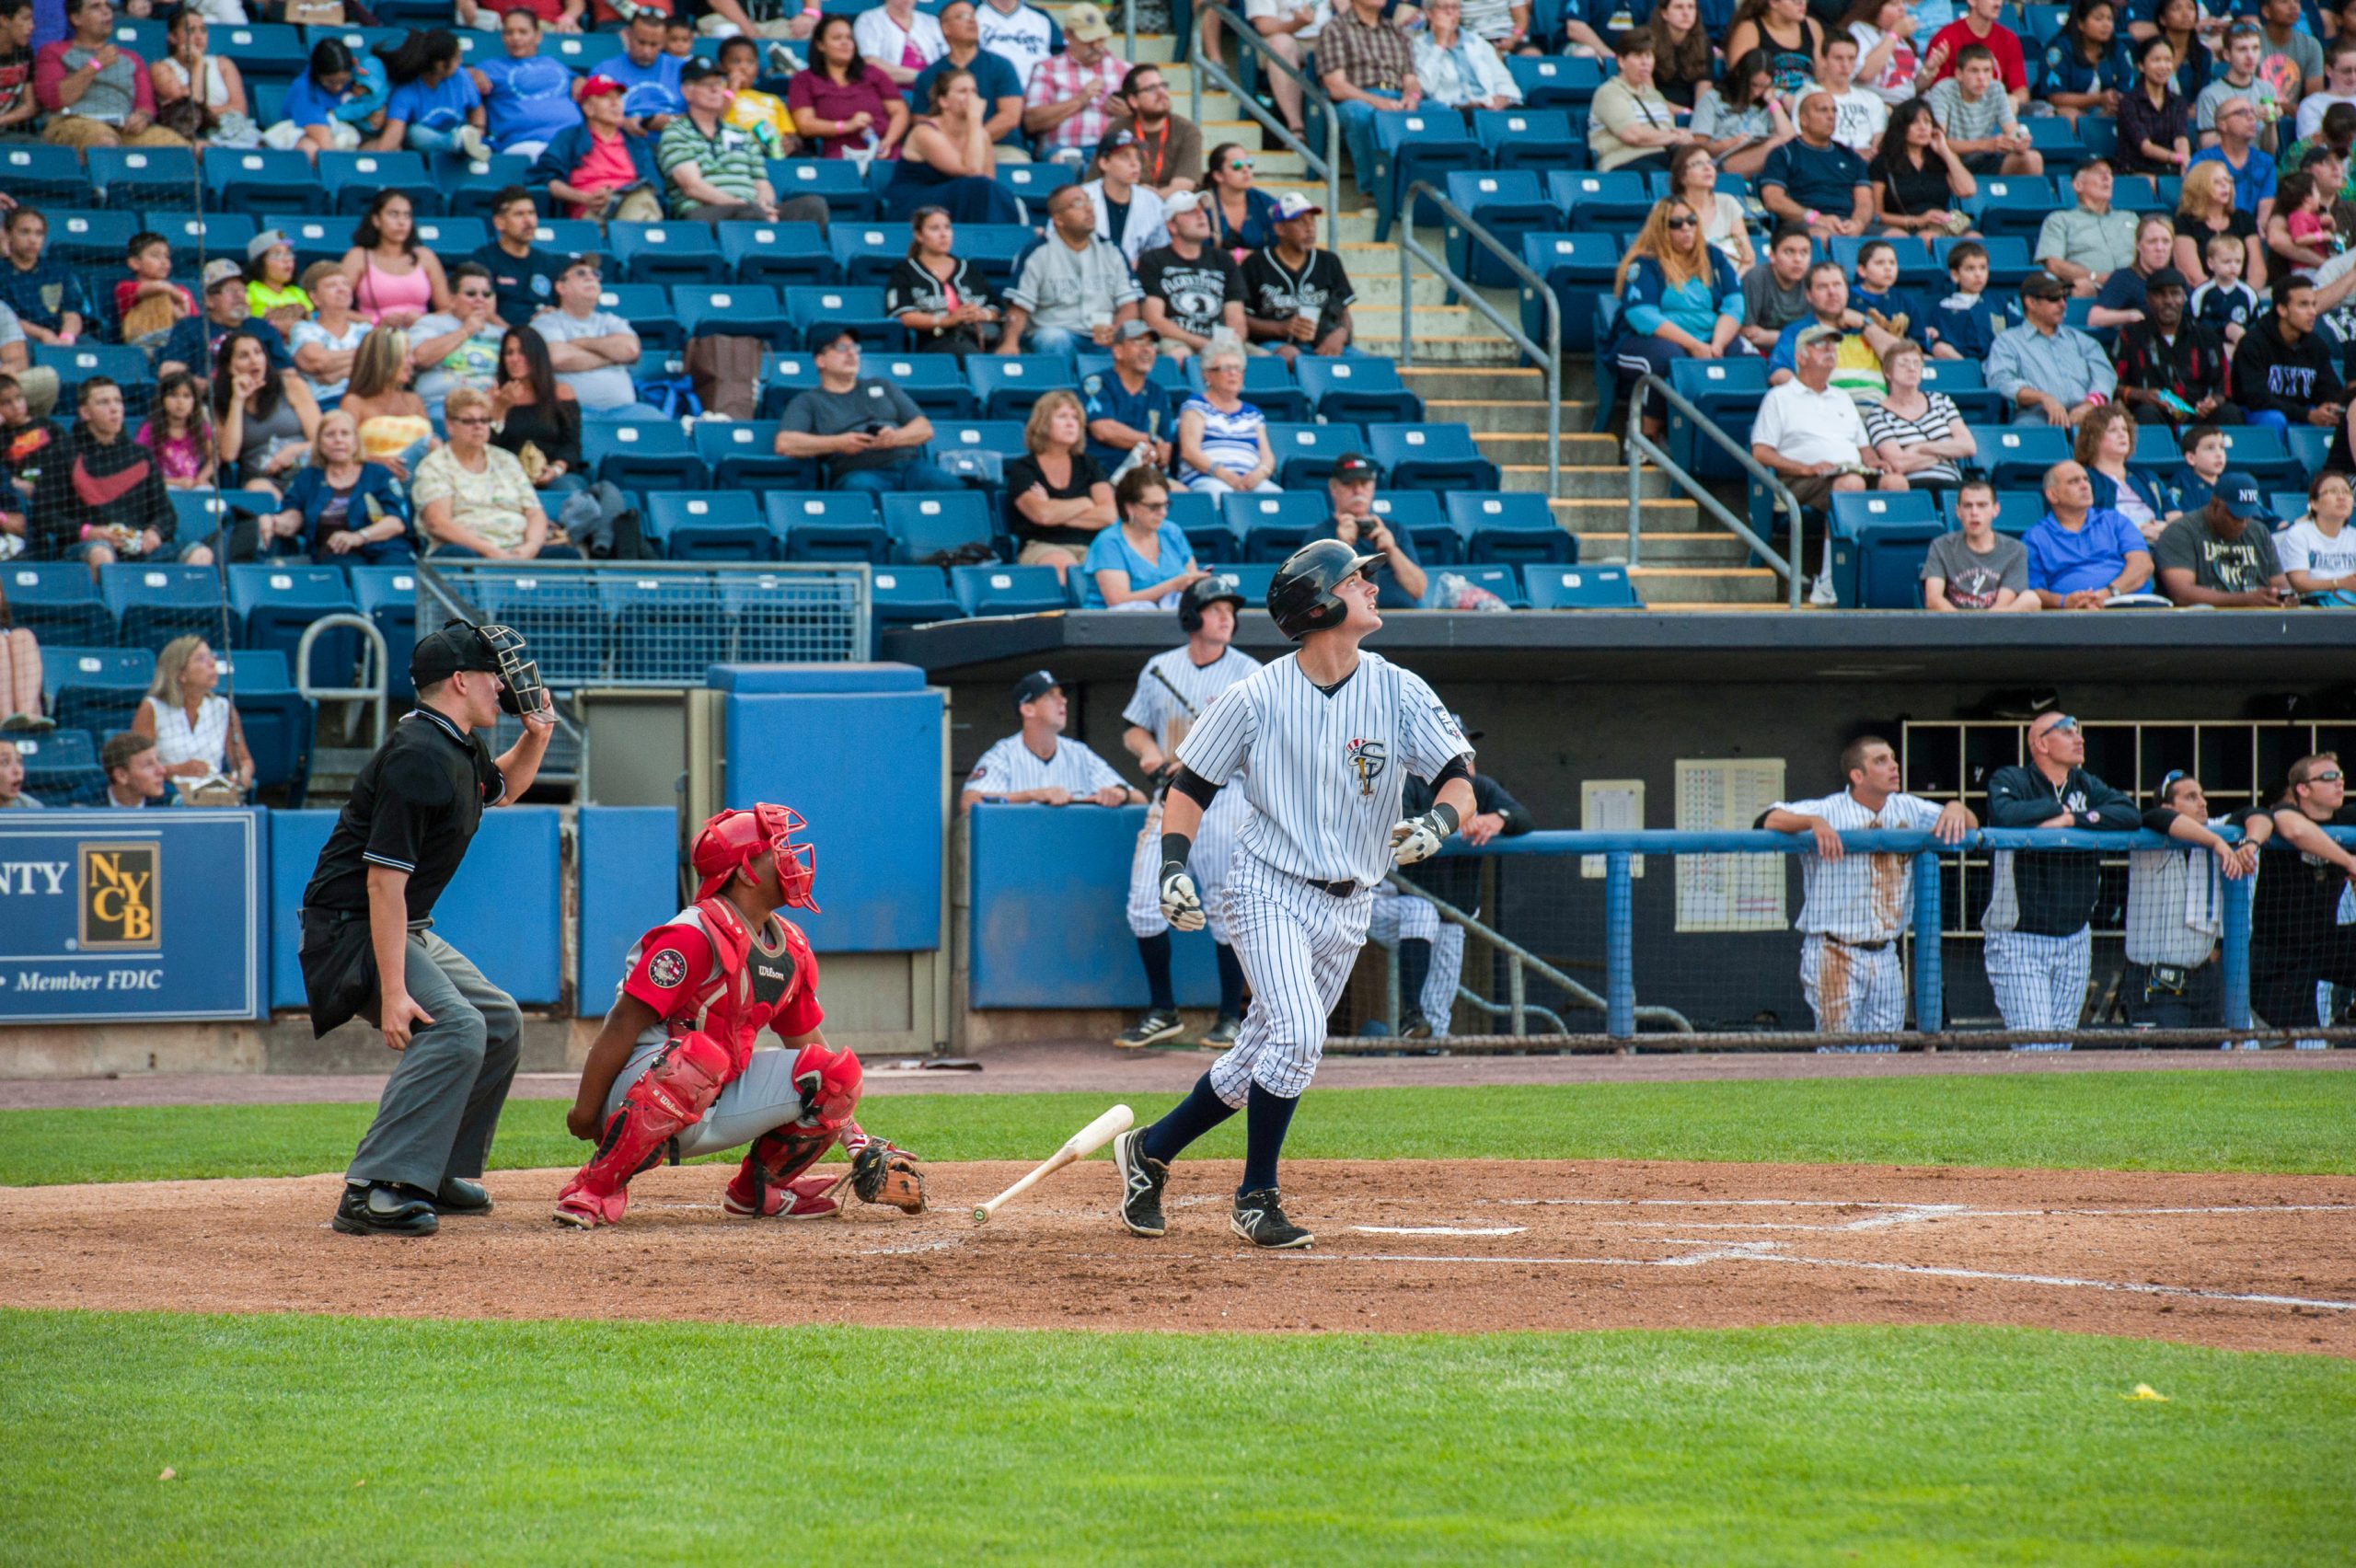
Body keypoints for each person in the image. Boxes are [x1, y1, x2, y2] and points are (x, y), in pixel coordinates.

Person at [1114, 537, 1477, 1250]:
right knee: (1301, 1034)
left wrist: (1441, 820)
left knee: (1260, 1056)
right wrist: (1172, 866)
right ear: (1319, 604)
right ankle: (1256, 1196)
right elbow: (1189, 788)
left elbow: (1458, 775)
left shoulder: (1399, 687)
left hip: (1350, 901)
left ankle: (1149, 1151)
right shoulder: (1253, 696)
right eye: (1357, 578)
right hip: (1267, 886)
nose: (1372, 586)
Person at [555, 803, 926, 1227]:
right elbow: (621, 1025)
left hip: (712, 1095)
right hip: (637, 1093)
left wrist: (857, 1141)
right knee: (701, 1056)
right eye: (778, 848)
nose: (792, 856)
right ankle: (594, 1187)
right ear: (748, 870)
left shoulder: (791, 947)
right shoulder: (692, 935)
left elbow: (812, 1052)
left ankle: (758, 1193)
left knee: (836, 1072)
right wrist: (585, 1114)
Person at [301, 620, 553, 1235]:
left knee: (497, 1021)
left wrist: (538, 735)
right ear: (460, 681)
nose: (503, 686)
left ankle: (432, 1170)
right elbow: (381, 883)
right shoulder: (418, 754)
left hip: (394, 922)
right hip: (351, 928)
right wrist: (393, 992)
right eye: (491, 676)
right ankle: (373, 1188)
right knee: (454, 1028)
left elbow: (504, 789)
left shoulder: (456, 742)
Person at [1117, 574, 1261, 1047]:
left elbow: (1260, 745)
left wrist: (1202, 756)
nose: (1227, 617)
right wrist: (1149, 754)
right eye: (1216, 608)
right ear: (1191, 616)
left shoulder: (1249, 672)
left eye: (1231, 610)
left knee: (1225, 907)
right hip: (1170, 797)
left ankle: (1228, 1017)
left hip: (1227, 798)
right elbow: (1134, 729)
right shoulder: (1160, 667)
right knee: (1144, 902)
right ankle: (1163, 1010)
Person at [1757, 736, 1973, 1039]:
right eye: (1881, 761)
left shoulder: (1907, 807)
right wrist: (1813, 822)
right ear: (1857, 776)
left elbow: (1973, 826)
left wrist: (1955, 807)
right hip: (1834, 950)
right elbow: (1766, 820)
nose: (1894, 766)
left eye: (1893, 758)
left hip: (1885, 952)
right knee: (1838, 1054)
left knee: (1884, 1053)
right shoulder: (1829, 808)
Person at [1981, 711, 2142, 1048]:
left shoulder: (2084, 783)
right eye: (2068, 732)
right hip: (2019, 937)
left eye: (2079, 732)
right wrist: (2061, 811)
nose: (2079, 739)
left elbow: (2129, 813)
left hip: (2075, 937)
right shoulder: (2011, 778)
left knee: (2060, 1049)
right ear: (2040, 743)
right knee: (2035, 1047)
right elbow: (2007, 814)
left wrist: (2072, 819)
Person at [2122, 771, 2266, 1029]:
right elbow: (2158, 818)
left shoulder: (2215, 829)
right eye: (2191, 797)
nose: (2202, 802)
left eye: (2201, 795)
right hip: (2155, 981)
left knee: (2207, 1063)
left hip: (2203, 979)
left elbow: (2258, 814)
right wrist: (2218, 844)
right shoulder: (2150, 831)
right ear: (2168, 804)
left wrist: (2251, 843)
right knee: (2163, 1066)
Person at [28, 378, 207, 570]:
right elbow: (44, 514)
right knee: (101, 553)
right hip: (85, 547)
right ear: (85, 413)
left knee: (200, 555)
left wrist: (154, 532)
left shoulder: (140, 455)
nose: (114, 408)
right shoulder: (61, 453)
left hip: (139, 549)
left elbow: (165, 512)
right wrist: (89, 532)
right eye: (103, 402)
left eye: (118, 401)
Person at [776, 326, 962, 494]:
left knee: (950, 486)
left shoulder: (882, 385)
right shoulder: (808, 401)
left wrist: (895, 438)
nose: (851, 354)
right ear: (820, 361)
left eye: (855, 349)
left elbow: (924, 428)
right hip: (860, 472)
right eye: (841, 348)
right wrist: (838, 443)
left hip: (909, 467)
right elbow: (785, 443)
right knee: (858, 488)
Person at [1611, 199, 1746, 426]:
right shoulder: (1644, 263)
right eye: (1676, 223)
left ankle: (1735, 431)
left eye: (1691, 221)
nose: (1686, 228)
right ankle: (1648, 435)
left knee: (1743, 357)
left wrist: (1718, 344)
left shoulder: (1713, 256)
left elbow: (1735, 305)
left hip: (1710, 337)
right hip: (1650, 340)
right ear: (1661, 228)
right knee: (1669, 358)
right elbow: (1642, 315)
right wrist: (1693, 345)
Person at [2248, 753, 2356, 1033]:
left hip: (2325, 942)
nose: (2339, 783)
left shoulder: (2346, 817)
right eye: (2328, 777)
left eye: (2341, 777)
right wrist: (2348, 861)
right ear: (2303, 789)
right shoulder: (2285, 813)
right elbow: (2295, 830)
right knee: (2288, 1049)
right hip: (2279, 951)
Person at [413, 386, 569, 558]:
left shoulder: (506, 460)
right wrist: (490, 550)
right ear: (450, 426)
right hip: (469, 550)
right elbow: (438, 523)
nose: (478, 427)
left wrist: (530, 547)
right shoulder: (435, 465)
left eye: (485, 420)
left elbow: (534, 512)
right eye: (469, 421)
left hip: (519, 550)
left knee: (566, 556)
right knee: (456, 554)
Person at [959, 668, 1139, 812]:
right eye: (1051, 696)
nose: (1063, 701)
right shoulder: (1003, 755)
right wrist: (1032, 795)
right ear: (1028, 709)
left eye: (1062, 695)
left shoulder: (1078, 753)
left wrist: (1120, 793)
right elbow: (969, 803)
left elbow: (1140, 799)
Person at [999, 183, 1142, 355]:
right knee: (1053, 338)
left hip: (1102, 337)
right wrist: (1010, 342)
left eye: (1089, 202)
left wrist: (1117, 330)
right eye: (1078, 204)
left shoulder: (1112, 250)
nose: (1089, 209)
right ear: (1058, 220)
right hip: (1058, 331)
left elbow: (1129, 304)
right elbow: (1019, 305)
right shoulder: (1037, 253)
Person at [264, 409, 414, 564]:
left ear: (356, 441)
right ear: (320, 444)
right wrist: (273, 521)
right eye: (330, 435)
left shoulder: (378, 474)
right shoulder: (308, 478)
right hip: (336, 553)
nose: (338, 440)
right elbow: (292, 518)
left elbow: (396, 523)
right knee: (344, 566)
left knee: (395, 569)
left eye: (345, 434)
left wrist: (359, 537)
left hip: (385, 549)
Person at [33, 0, 187, 149]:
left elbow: (145, 105)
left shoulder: (132, 58)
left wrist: (142, 117)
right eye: (95, 6)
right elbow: (53, 100)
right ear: (76, 18)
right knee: (106, 142)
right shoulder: (52, 52)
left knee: (183, 149)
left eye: (107, 5)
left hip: (124, 128)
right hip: (73, 122)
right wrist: (95, 65)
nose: (106, 11)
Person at [662, 56, 798, 222]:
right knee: (750, 215)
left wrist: (765, 206)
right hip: (705, 211)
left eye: (718, 83)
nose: (715, 89)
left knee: (812, 207)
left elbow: (761, 182)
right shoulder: (676, 132)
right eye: (706, 84)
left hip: (751, 209)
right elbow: (692, 187)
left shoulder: (741, 134)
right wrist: (743, 206)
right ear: (687, 91)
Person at [530, 256, 662, 421]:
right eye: (580, 273)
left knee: (660, 423)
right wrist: (613, 358)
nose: (590, 277)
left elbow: (630, 351)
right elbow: (559, 358)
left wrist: (582, 343)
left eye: (594, 274)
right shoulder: (547, 322)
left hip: (626, 410)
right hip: (575, 412)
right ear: (561, 287)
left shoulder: (610, 320)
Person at [2233, 276, 2352, 456]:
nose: (2312, 312)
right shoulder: (2253, 342)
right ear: (2282, 309)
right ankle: (2277, 469)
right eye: (2303, 305)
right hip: (2257, 416)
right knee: (2274, 419)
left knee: (2334, 417)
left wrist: (2330, 408)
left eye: (2313, 304)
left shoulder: (2316, 346)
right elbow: (2257, 398)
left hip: (2300, 416)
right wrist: (2307, 415)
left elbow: (2329, 389)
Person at [1007, 388, 1115, 579]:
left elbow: (1108, 515)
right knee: (1064, 567)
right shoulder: (1024, 468)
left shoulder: (1089, 464)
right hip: (1043, 546)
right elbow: (1042, 514)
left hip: (1090, 545)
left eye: (1075, 418)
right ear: (1043, 423)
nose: (1070, 424)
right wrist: (1086, 503)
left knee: (1114, 566)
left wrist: (1054, 509)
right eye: (1062, 416)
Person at [1988, 271, 2117, 426]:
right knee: (2027, 428)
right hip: (2037, 415)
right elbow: (2001, 381)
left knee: (2116, 429)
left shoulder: (2081, 340)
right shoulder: (2008, 341)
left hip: (2087, 414)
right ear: (2031, 303)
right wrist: (2043, 398)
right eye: (2054, 298)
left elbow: (2105, 375)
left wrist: (2090, 404)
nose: (2063, 304)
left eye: (2064, 297)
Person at [2151, 470, 2297, 605]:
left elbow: (2280, 584)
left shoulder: (2259, 531)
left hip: (2257, 620)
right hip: (2203, 624)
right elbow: (2182, 594)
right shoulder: (2181, 531)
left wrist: (2284, 598)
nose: (2244, 523)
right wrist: (2244, 600)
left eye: (2248, 515)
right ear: (2214, 505)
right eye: (2236, 516)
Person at [1241, 192, 1355, 364]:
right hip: (1273, 344)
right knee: (1292, 357)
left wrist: (1340, 335)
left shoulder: (1329, 261)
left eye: (1312, 221)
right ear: (1280, 229)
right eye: (1300, 222)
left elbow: (1344, 312)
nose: (1310, 228)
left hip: (1322, 341)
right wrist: (1280, 328)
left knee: (1373, 365)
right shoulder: (1255, 264)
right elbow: (1241, 319)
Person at [130, 635, 253, 795]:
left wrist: (242, 776)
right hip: (167, 794)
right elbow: (136, 768)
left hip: (213, 795)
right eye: (201, 659)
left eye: (212, 657)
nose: (212, 663)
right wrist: (177, 770)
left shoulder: (223, 708)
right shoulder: (153, 708)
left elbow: (244, 761)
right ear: (180, 674)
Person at [530, 75, 663, 222]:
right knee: (643, 202)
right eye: (606, 97)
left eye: (618, 98)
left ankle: (631, 240)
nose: (615, 104)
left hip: (632, 204)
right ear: (588, 108)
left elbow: (654, 185)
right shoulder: (570, 138)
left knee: (642, 197)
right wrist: (585, 198)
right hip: (591, 213)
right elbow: (547, 179)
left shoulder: (635, 143)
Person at [2025, 460, 2155, 606]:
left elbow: (2143, 565)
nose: (2084, 485)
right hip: (2071, 617)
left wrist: (2108, 594)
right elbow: (2033, 591)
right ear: (2052, 495)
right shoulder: (2035, 536)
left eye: (2086, 479)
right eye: (2074, 481)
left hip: (2129, 606)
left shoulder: (2115, 520)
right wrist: (2064, 602)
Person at [214, 328, 321, 505]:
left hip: (305, 470)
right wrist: (238, 400)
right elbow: (229, 454)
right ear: (230, 367)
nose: (254, 360)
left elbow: (320, 438)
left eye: (258, 352)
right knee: (258, 491)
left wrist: (293, 451)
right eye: (243, 356)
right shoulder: (221, 403)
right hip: (263, 480)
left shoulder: (291, 386)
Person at [1136, 191, 1248, 361]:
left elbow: (1236, 316)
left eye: (1202, 210)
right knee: (1180, 356)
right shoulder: (1153, 260)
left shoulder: (1223, 259)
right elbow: (1154, 320)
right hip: (1176, 341)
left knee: (1264, 361)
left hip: (1220, 343)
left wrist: (1233, 342)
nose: (1201, 216)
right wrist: (1204, 344)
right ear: (1171, 226)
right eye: (1189, 212)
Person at [1319, 0, 1421, 185]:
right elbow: (1336, 86)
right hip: (1357, 99)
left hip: (1398, 98)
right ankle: (1373, 190)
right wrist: (1376, 101)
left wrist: (1412, 98)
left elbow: (1411, 80)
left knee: (1442, 112)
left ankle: (1435, 190)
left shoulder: (1397, 31)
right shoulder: (1335, 29)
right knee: (1359, 113)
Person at [1307, 451, 1426, 607]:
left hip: (1401, 622)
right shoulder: (1321, 535)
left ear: (1373, 487)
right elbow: (1314, 594)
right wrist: (1341, 546)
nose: (1358, 490)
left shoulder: (1394, 530)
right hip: (1347, 626)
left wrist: (1391, 550)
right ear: (1333, 487)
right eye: (1349, 484)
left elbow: (1418, 589)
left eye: (1364, 483)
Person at [911, 2, 1027, 158]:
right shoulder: (930, 74)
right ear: (945, 28)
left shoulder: (1001, 66)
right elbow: (921, 120)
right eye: (962, 17)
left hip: (999, 147)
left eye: (973, 16)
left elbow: (1010, 117)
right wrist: (947, 145)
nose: (971, 21)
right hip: (946, 149)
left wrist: (973, 142)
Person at [885, 205, 1001, 357]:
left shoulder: (968, 268)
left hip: (979, 338)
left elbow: (995, 309)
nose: (943, 234)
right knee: (968, 353)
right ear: (919, 235)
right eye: (934, 229)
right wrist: (948, 320)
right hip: (935, 341)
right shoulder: (904, 271)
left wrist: (980, 314)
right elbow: (904, 316)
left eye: (947, 228)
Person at [1767, 259, 1898, 394]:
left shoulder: (1867, 328)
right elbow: (1779, 375)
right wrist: (1814, 396)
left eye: (1837, 285)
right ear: (1809, 295)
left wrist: (1865, 324)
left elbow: (1901, 361)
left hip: (1876, 410)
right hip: (1823, 408)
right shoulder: (1797, 332)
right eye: (1822, 287)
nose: (1832, 292)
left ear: (1847, 291)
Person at [1761, 89, 1876, 240]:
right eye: (1823, 110)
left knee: (1898, 237)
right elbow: (1773, 200)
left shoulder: (1851, 156)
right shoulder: (1784, 153)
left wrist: (1858, 223)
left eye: (1834, 110)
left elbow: (1865, 201)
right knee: (1824, 237)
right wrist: (1815, 218)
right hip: (1803, 223)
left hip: (1848, 223)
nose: (1831, 116)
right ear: (1803, 119)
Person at [2108, 276, 2229, 420]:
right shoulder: (2130, 336)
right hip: (2153, 415)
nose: (2168, 301)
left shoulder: (2207, 337)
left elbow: (2223, 388)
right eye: (2160, 294)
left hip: (2199, 417)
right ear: (2148, 298)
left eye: (2175, 294)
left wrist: (2213, 402)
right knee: (2146, 413)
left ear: (2184, 297)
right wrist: (2142, 394)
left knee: (2229, 413)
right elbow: (2111, 384)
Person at [1087, 463, 1207, 607]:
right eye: (1154, 507)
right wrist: (1173, 586)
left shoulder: (1172, 532)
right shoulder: (1108, 542)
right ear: (1129, 507)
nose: (1163, 513)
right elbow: (1117, 601)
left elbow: (1191, 580)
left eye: (1166, 504)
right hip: (1115, 625)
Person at [789, 14, 907, 160]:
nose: (845, 43)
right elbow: (805, 124)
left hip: (885, 151)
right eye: (837, 38)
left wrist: (888, 141)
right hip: (839, 155)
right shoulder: (804, 79)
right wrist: (846, 126)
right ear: (820, 45)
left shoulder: (873, 73)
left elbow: (899, 111)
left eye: (849, 38)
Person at [1175, 335, 1279, 500]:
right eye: (1225, 368)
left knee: (1275, 496)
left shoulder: (1253, 413)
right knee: (1221, 495)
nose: (1233, 374)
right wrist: (1224, 474)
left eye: (1238, 368)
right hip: (1208, 477)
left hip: (1249, 481)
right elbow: (1189, 452)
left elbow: (1267, 457)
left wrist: (1259, 474)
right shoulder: (1195, 406)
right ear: (1207, 375)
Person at [1865, 339, 1976, 490]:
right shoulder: (1878, 415)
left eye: (1917, 363)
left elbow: (1968, 446)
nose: (1912, 368)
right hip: (1913, 486)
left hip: (1952, 484)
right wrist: (1946, 453)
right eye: (1903, 364)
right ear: (1888, 372)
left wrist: (1920, 447)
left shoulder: (1940, 400)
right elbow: (1899, 464)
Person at [1024, 3, 1128, 167]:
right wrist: (1080, 100)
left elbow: (1152, 119)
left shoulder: (1125, 70)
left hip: (1113, 149)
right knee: (1071, 163)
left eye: (1100, 39)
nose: (1096, 46)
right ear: (1068, 36)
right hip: (1063, 150)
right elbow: (1032, 122)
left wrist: (1128, 113)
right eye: (1088, 40)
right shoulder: (1047, 69)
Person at [488, 324, 583, 500]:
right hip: (507, 477)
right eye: (509, 353)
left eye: (522, 352)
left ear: (537, 356)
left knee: (569, 490)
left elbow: (571, 444)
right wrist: (500, 408)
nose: (515, 359)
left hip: (555, 474)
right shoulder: (492, 396)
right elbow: (487, 448)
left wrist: (555, 469)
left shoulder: (561, 393)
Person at [468, 7, 579, 159]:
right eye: (509, 32)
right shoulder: (490, 67)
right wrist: (471, 73)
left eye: (523, 32)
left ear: (538, 36)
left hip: (573, 141)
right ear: (502, 37)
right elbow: (455, 75)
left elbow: (577, 79)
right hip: (525, 143)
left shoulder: (554, 63)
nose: (516, 38)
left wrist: (581, 80)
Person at [158, 260, 293, 383]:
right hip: (209, 402)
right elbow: (170, 373)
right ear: (209, 300)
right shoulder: (190, 327)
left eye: (242, 290)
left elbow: (288, 373)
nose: (239, 295)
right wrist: (219, 388)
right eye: (230, 290)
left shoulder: (262, 327)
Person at [1922, 475, 2040, 609]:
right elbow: (1933, 599)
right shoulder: (1941, 546)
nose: (1974, 512)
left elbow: (2004, 603)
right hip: (1954, 624)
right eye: (1967, 506)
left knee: (2031, 599)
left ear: (1995, 510)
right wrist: (1963, 625)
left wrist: (1980, 628)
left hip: (1997, 623)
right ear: (1958, 511)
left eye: (1982, 505)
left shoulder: (2015, 549)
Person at [366, 29, 488, 160]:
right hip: (428, 152)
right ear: (440, 65)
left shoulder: (461, 76)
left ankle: (466, 143)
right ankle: (458, 143)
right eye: (457, 58)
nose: (460, 62)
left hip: (461, 155)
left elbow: (476, 107)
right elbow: (394, 130)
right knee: (414, 134)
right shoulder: (406, 91)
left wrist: (478, 129)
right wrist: (374, 155)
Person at [1924, 42, 2041, 176]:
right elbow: (1938, 141)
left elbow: (2012, 130)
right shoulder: (1943, 90)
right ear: (1959, 74)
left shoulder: (1996, 88)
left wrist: (2019, 141)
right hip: (1946, 160)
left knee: (2033, 158)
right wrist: (1985, 145)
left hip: (1981, 159)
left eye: (1987, 71)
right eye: (1974, 71)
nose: (1981, 78)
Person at [407, 261, 504, 421]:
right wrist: (465, 331)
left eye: (486, 294)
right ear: (452, 299)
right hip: (441, 404)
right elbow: (419, 357)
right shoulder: (431, 323)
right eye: (471, 294)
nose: (479, 299)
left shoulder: (500, 334)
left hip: (489, 405)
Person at [341, 190, 448, 332]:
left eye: (407, 215)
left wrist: (424, 321)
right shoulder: (358, 257)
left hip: (421, 335)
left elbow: (447, 310)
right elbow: (334, 309)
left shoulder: (425, 256)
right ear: (376, 220)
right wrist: (376, 321)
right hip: (373, 335)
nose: (401, 222)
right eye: (393, 214)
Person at [1867, 97, 1977, 237]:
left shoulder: (1940, 159)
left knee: (1976, 238)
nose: (1923, 128)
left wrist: (1944, 150)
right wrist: (1917, 221)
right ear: (1901, 127)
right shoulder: (1883, 162)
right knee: (1928, 237)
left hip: (1944, 221)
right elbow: (1877, 214)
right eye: (1914, 122)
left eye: (1928, 122)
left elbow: (1968, 190)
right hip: (1905, 224)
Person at [1588, 29, 1690, 174]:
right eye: (1638, 56)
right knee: (1666, 178)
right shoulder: (1609, 92)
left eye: (1648, 56)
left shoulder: (1655, 95)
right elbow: (1633, 135)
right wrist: (1675, 136)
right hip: (1624, 161)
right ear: (1621, 62)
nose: (1645, 62)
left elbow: (1669, 132)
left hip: (1661, 156)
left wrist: (1681, 137)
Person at [341, 327, 435, 480]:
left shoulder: (414, 400)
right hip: (378, 479)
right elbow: (343, 451)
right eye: (405, 355)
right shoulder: (354, 402)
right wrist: (376, 461)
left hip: (421, 479)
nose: (412, 361)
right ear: (384, 359)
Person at [2036, 159, 2142, 296]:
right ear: (2078, 185)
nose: (2107, 177)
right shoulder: (2059, 220)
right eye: (2098, 172)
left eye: (2109, 173)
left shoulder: (2130, 218)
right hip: (2093, 288)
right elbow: (2053, 265)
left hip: (2138, 287)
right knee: (2081, 288)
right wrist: (2095, 277)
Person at [1083, 317, 1174, 469]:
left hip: (1145, 474)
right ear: (1118, 351)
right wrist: (1150, 440)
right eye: (1138, 342)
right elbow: (1104, 431)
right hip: (1102, 475)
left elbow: (1165, 451)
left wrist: (1155, 454)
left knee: (1189, 492)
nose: (1147, 349)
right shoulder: (1097, 383)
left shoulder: (1158, 392)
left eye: (1151, 344)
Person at [275, 38, 388, 160]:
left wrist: (380, 112)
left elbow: (378, 93)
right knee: (310, 149)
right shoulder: (304, 90)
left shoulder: (359, 77)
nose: (338, 88)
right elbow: (326, 145)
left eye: (343, 81)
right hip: (318, 139)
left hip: (353, 137)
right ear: (317, 74)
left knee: (391, 148)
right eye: (330, 82)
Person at [1692, 51, 1796, 181]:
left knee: (1785, 146)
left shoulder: (1768, 103)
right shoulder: (1712, 99)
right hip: (1721, 163)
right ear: (1739, 75)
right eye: (1753, 84)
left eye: (1764, 86)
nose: (1757, 92)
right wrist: (1727, 144)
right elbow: (1696, 147)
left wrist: (1773, 102)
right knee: (1775, 146)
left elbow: (1791, 139)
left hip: (1760, 158)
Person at [2073, 403, 2169, 544]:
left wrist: (2164, 528)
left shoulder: (2147, 476)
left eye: (2124, 429)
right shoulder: (2085, 479)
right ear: (2093, 438)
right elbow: (2084, 526)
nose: (2122, 434)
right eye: (2112, 430)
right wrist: (2136, 532)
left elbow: (2175, 516)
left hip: (2159, 542)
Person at [470, 190, 564, 331]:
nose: (529, 221)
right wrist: (516, 337)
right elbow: (482, 310)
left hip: (544, 336)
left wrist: (553, 314)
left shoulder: (548, 262)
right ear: (499, 222)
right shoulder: (483, 259)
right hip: (498, 335)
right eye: (519, 214)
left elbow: (561, 308)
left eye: (532, 213)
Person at [150, 7, 251, 138]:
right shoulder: (161, 68)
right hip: (185, 135)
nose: (198, 37)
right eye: (190, 31)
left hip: (228, 129)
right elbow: (190, 108)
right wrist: (198, 64)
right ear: (173, 37)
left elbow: (240, 109)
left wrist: (204, 112)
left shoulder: (224, 64)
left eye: (203, 30)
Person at [0, 207, 85, 352]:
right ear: (8, 235)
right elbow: (8, 320)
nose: (32, 240)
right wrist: (44, 335)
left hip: (59, 336)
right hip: (19, 338)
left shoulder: (59, 271)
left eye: (38, 233)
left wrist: (66, 338)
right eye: (24, 232)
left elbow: (72, 314)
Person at [2037, 0, 2132, 129]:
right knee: (2070, 116)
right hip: (2062, 111)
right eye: (2099, 19)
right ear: (2081, 24)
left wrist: (2114, 102)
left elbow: (2125, 91)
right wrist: (2099, 99)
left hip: (2105, 110)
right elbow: (2056, 97)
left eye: (2110, 19)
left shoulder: (2119, 50)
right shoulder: (2059, 49)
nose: (2106, 25)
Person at [1114, 61, 1202, 194]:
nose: (1162, 93)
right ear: (1133, 101)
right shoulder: (1117, 130)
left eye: (1163, 86)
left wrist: (1149, 198)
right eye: (1151, 88)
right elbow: (1103, 181)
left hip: (1173, 207)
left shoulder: (1187, 130)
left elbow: (1184, 185)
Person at [1918, 0, 2028, 106]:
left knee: (2040, 109)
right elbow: (1939, 93)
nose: (1998, 3)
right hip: (1956, 110)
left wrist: (2013, 100)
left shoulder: (2009, 39)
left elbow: (2021, 91)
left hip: (1996, 110)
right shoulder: (1945, 38)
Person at [2190, 95, 2278, 225]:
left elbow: (2266, 202)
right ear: (2222, 125)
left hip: (2253, 231)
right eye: (2242, 113)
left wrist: (2257, 229)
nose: (2251, 117)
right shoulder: (2203, 160)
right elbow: (2197, 203)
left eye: (2253, 112)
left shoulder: (2266, 162)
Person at [1245, 0, 1325, 139]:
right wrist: (1297, 24)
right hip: (1285, 36)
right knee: (1281, 44)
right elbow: (1264, 26)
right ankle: (1295, 127)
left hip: (1327, 38)